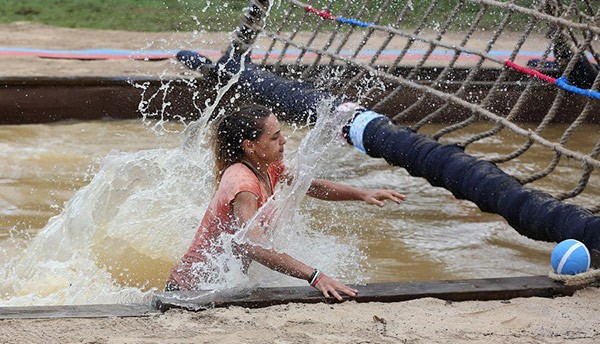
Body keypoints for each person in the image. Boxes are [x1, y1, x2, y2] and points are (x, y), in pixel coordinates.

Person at [166, 104, 406, 301]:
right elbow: (253, 245)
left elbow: (311, 185)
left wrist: (363, 194)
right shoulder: (243, 184)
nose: (284, 140)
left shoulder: (267, 165)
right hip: (192, 290)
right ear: (250, 146)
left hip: (218, 285)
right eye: (274, 137)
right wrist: (314, 276)